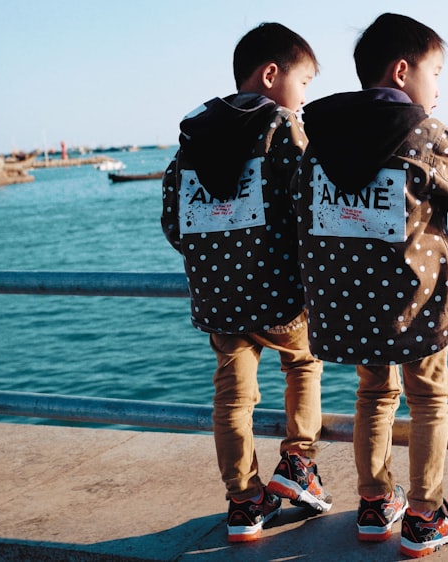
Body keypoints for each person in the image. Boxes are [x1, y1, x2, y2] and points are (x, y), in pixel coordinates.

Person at [291, 13, 448, 558]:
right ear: (402, 71)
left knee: (373, 395)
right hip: (414, 302)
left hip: (345, 302)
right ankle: (425, 513)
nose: (438, 87)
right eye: (435, 72)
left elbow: (300, 212)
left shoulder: (319, 139)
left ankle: (374, 505)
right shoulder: (425, 133)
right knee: (428, 401)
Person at [160, 23, 330, 543]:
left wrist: (211, 259)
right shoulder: (281, 127)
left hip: (217, 297)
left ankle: (244, 501)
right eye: (304, 83)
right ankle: (298, 463)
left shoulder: (193, 135)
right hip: (279, 292)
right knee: (303, 362)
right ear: (272, 74)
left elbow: (174, 217)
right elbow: (308, 201)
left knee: (232, 399)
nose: (305, 97)